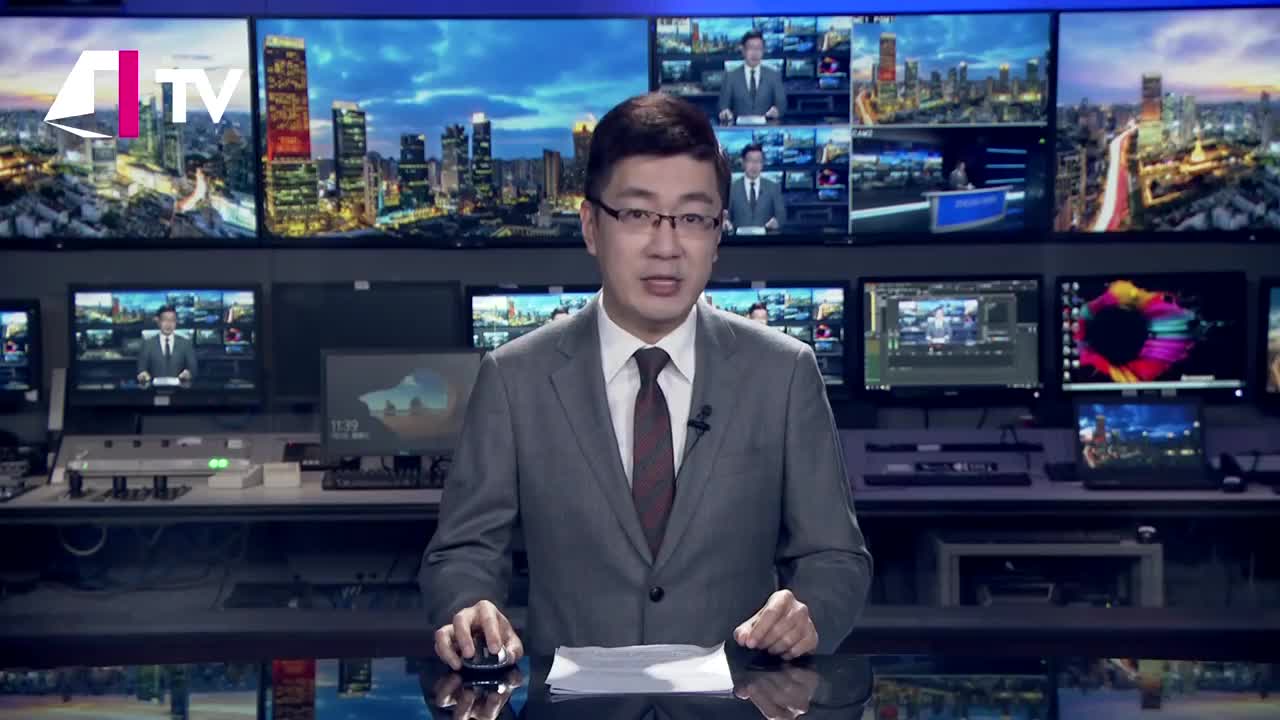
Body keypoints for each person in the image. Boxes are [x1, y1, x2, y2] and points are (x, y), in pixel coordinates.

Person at [423, 92, 870, 669]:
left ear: (718, 234)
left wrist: (808, 612)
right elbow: (461, 553)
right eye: (637, 215)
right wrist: (468, 606)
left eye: (692, 218)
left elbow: (837, 558)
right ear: (591, 227)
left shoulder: (784, 374)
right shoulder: (514, 379)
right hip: (574, 706)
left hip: (739, 699)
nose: (666, 247)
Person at [718, 31, 786, 124]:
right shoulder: (731, 77)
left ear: (763, 51)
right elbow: (723, 106)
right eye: (751, 48)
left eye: (759, 48)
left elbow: (782, 105)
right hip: (739, 128)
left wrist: (777, 111)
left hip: (767, 127)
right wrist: (725, 113)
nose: (755, 53)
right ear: (743, 50)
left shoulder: (773, 76)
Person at [726, 145, 786, 233]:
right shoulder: (732, 188)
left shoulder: (773, 187)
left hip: (765, 239)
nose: (754, 165)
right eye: (750, 161)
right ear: (743, 163)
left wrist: (777, 222)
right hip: (739, 240)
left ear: (762, 164)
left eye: (758, 161)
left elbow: (781, 215)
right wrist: (726, 223)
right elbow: (726, 216)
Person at [135, 305, 197, 384]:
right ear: (158, 321)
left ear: (176, 322)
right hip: (154, 389)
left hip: (180, 389)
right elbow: (141, 369)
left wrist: (188, 373)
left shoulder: (185, 343)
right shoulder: (148, 344)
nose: (169, 324)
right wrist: (143, 375)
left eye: (172, 320)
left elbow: (193, 369)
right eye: (165, 320)